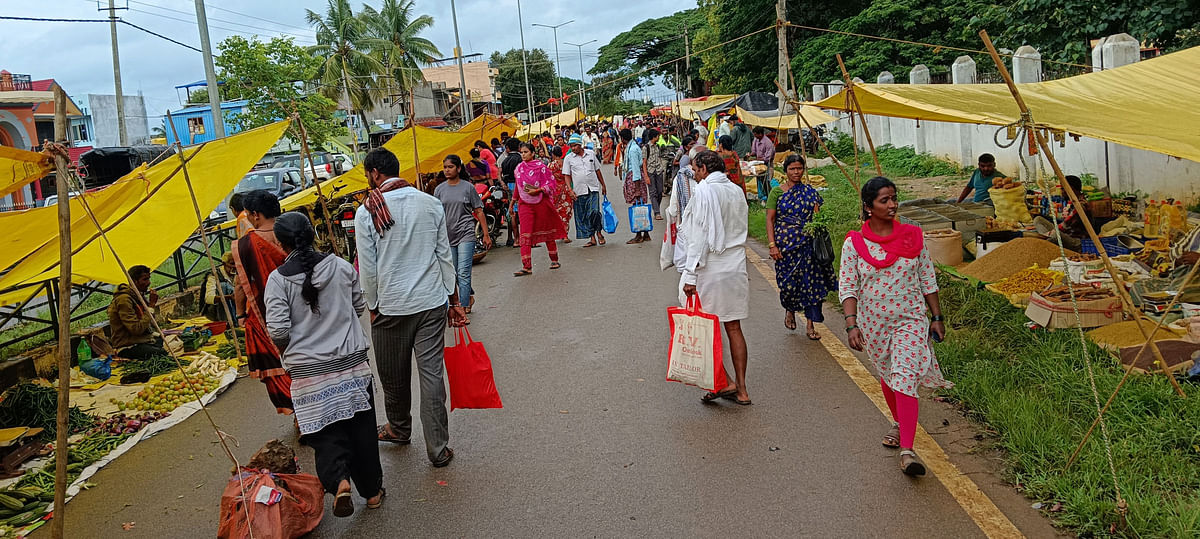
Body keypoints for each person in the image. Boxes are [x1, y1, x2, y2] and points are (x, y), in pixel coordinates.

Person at [263, 212, 383, 518]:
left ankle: (340, 482)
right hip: (353, 367)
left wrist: (291, 349)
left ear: (279, 242)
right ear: (313, 233)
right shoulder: (341, 266)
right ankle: (372, 494)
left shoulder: (277, 281)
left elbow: (277, 331)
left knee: (326, 434)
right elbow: (359, 305)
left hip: (308, 374)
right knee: (362, 432)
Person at [355, 147, 465, 467]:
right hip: (431, 302)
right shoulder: (430, 203)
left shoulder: (368, 211)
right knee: (431, 376)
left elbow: (369, 268)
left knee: (393, 375)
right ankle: (438, 448)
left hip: (390, 306)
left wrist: (372, 305)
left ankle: (399, 428)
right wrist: (453, 299)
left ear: (375, 173)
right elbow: (444, 255)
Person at [839, 176, 951, 477]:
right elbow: (848, 287)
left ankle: (908, 450)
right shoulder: (854, 243)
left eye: (894, 198)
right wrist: (852, 325)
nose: (892, 205)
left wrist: (937, 317)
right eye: (884, 200)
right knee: (889, 375)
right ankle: (900, 422)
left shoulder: (913, 236)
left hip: (910, 320)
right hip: (873, 324)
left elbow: (928, 279)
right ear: (868, 207)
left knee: (904, 376)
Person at [680, 150, 751, 406]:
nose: (694, 174)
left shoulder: (703, 191)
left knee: (706, 329)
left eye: (696, 169)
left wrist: (689, 274)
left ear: (703, 170)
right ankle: (741, 389)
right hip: (736, 265)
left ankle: (722, 382)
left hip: (710, 266)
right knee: (733, 327)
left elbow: (699, 235)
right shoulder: (736, 191)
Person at [232, 190, 294, 417]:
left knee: (277, 369)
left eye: (248, 215)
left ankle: (300, 413)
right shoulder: (292, 232)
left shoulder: (248, 244)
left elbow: (241, 285)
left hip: (265, 315)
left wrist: (240, 315)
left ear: (256, 215)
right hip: (301, 309)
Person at [766, 155, 836, 339]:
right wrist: (773, 245)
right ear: (786, 171)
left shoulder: (810, 192)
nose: (796, 172)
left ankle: (810, 325)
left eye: (799, 168)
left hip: (808, 246)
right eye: (792, 169)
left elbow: (817, 218)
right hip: (786, 246)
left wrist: (816, 225)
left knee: (811, 284)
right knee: (789, 284)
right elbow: (770, 219)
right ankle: (790, 309)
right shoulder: (777, 192)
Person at [434, 155, 492, 320]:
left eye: (450, 167)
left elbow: (479, 210)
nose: (447, 170)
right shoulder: (439, 190)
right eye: (445, 167)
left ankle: (463, 304)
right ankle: (469, 295)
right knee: (453, 273)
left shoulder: (468, 188)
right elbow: (435, 214)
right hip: (447, 236)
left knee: (463, 272)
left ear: (458, 169)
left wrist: (486, 235)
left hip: (466, 233)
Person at [513, 142, 568, 276]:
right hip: (524, 203)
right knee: (524, 234)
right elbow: (518, 186)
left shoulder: (541, 167)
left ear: (532, 153)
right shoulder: (519, 168)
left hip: (541, 202)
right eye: (522, 152)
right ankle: (527, 266)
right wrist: (513, 201)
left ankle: (554, 260)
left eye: (526, 152)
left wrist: (539, 190)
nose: (523, 154)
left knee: (547, 229)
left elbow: (551, 183)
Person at [107, 265, 167, 360]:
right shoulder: (124, 300)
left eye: (148, 279)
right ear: (134, 282)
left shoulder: (137, 295)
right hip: (128, 346)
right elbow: (136, 329)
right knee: (162, 353)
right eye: (145, 279)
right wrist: (151, 306)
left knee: (167, 340)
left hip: (141, 340)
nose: (148, 283)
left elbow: (149, 322)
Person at [563, 134, 608, 247]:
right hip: (579, 191)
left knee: (594, 212)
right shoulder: (568, 158)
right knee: (584, 215)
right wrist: (570, 190)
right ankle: (592, 238)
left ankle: (599, 233)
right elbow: (567, 175)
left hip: (592, 188)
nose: (573, 148)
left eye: (575, 146)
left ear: (580, 145)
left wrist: (603, 185)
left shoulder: (591, 154)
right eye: (571, 146)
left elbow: (597, 170)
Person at [620, 128, 652, 244]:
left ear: (622, 138)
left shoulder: (632, 150)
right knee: (641, 205)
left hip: (635, 179)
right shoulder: (633, 147)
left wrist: (637, 189)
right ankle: (646, 233)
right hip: (636, 178)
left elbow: (635, 170)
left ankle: (639, 234)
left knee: (637, 205)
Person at [548, 145, 575, 243]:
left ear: (553, 154)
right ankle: (565, 235)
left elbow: (547, 179)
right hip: (566, 190)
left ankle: (557, 234)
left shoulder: (551, 165)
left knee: (556, 213)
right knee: (565, 213)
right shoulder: (566, 163)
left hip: (555, 192)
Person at [500, 137, 523, 248]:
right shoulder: (520, 159)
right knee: (523, 211)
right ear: (519, 147)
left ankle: (516, 239)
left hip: (509, 186)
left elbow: (500, 174)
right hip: (520, 186)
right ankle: (524, 238)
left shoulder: (505, 161)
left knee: (513, 212)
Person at [202, 252, 237, 324]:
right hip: (216, 311)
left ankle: (237, 318)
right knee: (223, 286)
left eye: (236, 263)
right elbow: (208, 299)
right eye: (232, 264)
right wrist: (229, 297)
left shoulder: (237, 272)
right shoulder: (214, 275)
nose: (235, 266)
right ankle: (226, 321)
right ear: (224, 264)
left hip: (235, 307)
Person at [644, 129, 667, 221]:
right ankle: (657, 212)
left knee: (660, 192)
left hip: (658, 171)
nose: (658, 138)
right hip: (650, 171)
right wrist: (646, 176)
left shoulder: (657, 146)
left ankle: (656, 207)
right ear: (654, 137)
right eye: (657, 136)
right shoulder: (646, 148)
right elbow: (644, 162)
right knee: (653, 192)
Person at [751, 126, 776, 204]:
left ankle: (769, 196)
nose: (755, 136)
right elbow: (754, 151)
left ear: (761, 134)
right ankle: (761, 196)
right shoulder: (756, 139)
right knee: (759, 180)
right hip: (758, 162)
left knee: (765, 180)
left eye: (756, 134)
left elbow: (768, 158)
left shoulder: (768, 143)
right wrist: (750, 155)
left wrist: (759, 159)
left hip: (766, 164)